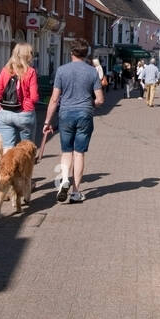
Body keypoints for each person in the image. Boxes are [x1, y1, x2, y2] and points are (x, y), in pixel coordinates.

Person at [44, 42, 103, 203]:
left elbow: (55, 99)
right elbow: (100, 100)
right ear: (86, 54)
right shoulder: (92, 72)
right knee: (79, 153)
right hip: (85, 114)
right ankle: (76, 192)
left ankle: (64, 179)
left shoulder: (62, 71)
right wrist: (89, 103)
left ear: (72, 52)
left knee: (66, 151)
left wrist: (47, 122)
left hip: (65, 114)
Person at [0, 42, 38, 148]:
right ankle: (24, 164)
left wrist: (7, 101)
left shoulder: (5, 71)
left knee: (7, 148)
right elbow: (34, 98)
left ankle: (9, 164)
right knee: (26, 149)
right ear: (28, 56)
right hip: (24, 113)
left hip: (5, 113)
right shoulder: (30, 72)